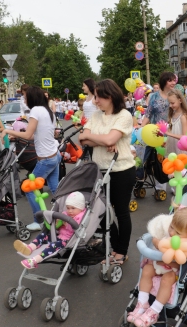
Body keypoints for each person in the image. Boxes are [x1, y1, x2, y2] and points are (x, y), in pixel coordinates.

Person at [78, 79, 136, 265]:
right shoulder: (96, 116)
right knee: (99, 211)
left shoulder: (124, 115)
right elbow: (83, 139)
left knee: (121, 212)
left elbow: (110, 138)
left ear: (109, 96)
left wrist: (101, 138)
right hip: (99, 170)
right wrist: (104, 140)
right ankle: (115, 245)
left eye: (98, 97)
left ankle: (121, 251)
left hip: (121, 169)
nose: (95, 101)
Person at [127, 207, 187, 327]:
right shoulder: (169, 233)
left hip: (175, 272)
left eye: (177, 232)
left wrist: (167, 259)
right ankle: (142, 303)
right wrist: (157, 242)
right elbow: (157, 238)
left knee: (167, 279)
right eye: (171, 227)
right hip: (159, 264)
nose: (172, 233)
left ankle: (154, 311)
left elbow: (181, 263)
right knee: (147, 270)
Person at [1, 86, 60, 231]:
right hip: (54, 155)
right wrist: (16, 134)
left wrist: (8, 130)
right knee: (56, 190)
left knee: (28, 188)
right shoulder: (47, 110)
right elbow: (36, 135)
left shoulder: (35, 110)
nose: (25, 100)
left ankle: (38, 220)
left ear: (32, 98)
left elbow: (28, 135)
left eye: (26, 97)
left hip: (46, 158)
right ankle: (64, 215)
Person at [15, 191, 87, 269]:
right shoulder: (65, 214)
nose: (70, 211)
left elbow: (77, 229)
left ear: (81, 208)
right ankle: (30, 247)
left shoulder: (81, 217)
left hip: (68, 241)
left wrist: (67, 224)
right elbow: (58, 226)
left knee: (52, 245)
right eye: (68, 208)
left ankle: (35, 260)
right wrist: (57, 223)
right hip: (59, 236)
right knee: (43, 235)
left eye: (73, 208)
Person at [164, 90, 187, 156]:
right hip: (172, 147)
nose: (170, 105)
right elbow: (171, 130)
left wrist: (168, 134)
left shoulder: (183, 116)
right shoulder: (172, 115)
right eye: (169, 103)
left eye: (172, 103)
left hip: (180, 149)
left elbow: (185, 136)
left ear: (180, 100)